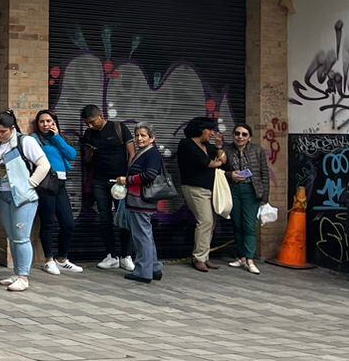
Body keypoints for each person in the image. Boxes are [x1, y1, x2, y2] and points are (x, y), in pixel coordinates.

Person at [0, 112, 49, 292]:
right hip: (3, 194)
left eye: (3, 131)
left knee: (22, 237)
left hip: (24, 197)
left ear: (12, 129)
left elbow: (44, 164)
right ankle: (16, 272)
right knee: (12, 236)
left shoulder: (25, 142)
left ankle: (24, 276)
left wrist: (30, 184)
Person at [81, 105, 134, 273]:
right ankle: (111, 255)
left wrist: (128, 177)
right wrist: (89, 152)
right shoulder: (89, 134)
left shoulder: (118, 128)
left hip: (120, 181)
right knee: (105, 218)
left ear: (101, 116)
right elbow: (87, 161)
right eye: (87, 123)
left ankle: (126, 256)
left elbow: (131, 154)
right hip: (99, 181)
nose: (90, 126)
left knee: (124, 218)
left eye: (92, 122)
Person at [32, 109, 81, 276]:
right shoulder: (35, 140)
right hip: (46, 184)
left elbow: (72, 155)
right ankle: (48, 260)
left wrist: (57, 137)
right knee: (47, 223)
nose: (46, 124)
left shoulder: (57, 139)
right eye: (42, 122)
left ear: (54, 122)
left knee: (68, 223)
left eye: (49, 121)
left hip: (60, 184)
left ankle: (62, 258)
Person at [116, 124, 166, 284]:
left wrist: (127, 180)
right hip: (140, 200)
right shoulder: (145, 152)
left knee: (141, 237)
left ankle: (143, 272)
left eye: (143, 135)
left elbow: (150, 175)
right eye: (137, 135)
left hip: (141, 201)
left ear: (152, 138)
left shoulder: (151, 153)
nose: (139, 138)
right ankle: (154, 268)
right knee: (146, 236)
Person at [175, 117, 226, 272]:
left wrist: (218, 147)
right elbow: (207, 163)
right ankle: (198, 258)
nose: (212, 133)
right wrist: (218, 163)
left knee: (211, 223)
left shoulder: (208, 146)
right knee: (205, 221)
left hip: (210, 189)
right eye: (209, 130)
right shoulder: (186, 144)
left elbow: (224, 159)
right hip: (194, 188)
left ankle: (204, 256)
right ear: (201, 129)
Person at [225, 123, 270, 275]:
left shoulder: (257, 150)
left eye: (244, 134)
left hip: (252, 191)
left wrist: (264, 198)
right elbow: (219, 171)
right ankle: (241, 257)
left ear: (249, 137)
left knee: (249, 225)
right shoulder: (227, 150)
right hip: (234, 190)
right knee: (237, 224)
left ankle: (250, 259)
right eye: (237, 133)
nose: (240, 137)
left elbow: (265, 174)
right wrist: (231, 175)